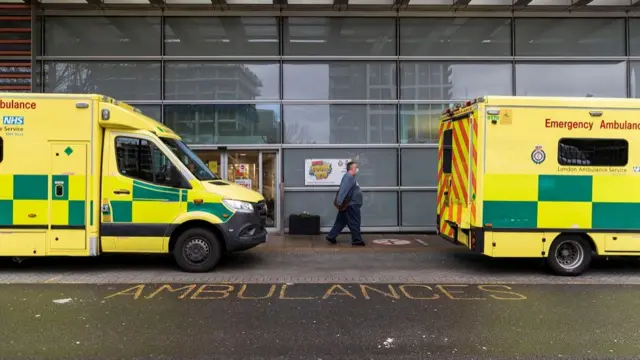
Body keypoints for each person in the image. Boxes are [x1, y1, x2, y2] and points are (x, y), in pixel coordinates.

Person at [326, 161, 365, 246]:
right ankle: (357, 240)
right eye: (356, 167)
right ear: (351, 168)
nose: (357, 169)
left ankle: (331, 236)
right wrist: (339, 202)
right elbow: (343, 189)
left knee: (340, 222)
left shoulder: (351, 177)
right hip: (351, 205)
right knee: (355, 222)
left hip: (349, 205)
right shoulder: (348, 176)